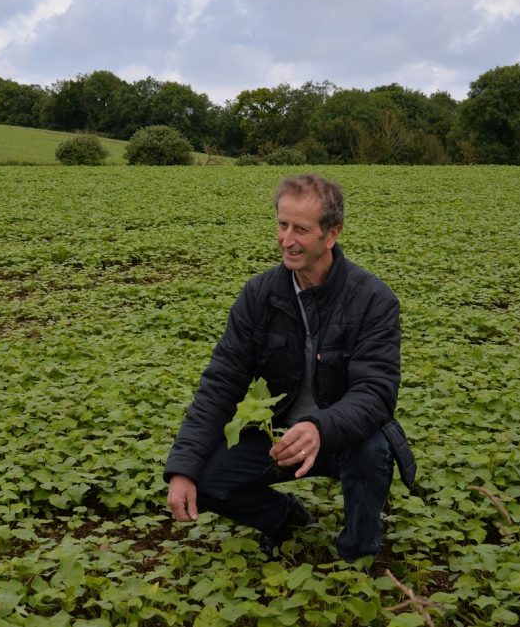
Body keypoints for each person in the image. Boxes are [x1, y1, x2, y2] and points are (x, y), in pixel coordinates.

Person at [164, 173, 415, 566]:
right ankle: (288, 521)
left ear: (331, 234)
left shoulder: (373, 300)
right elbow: (220, 384)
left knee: (372, 451)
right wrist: (182, 469)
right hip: (278, 435)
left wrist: (320, 427)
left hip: (342, 436)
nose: (286, 239)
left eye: (301, 228)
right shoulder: (259, 296)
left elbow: (376, 392)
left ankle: (356, 557)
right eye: (282, 225)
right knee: (208, 479)